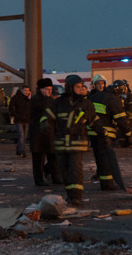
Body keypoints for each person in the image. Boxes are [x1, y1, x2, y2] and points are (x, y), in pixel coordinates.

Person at [40, 75, 105, 206]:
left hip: (77, 142)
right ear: (70, 88)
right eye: (78, 87)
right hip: (61, 143)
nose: (81, 89)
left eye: (82, 87)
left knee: (75, 169)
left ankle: (76, 196)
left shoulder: (86, 104)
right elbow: (46, 116)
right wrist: (45, 125)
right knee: (64, 171)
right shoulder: (58, 103)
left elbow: (95, 122)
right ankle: (70, 195)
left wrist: (104, 135)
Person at [88, 74, 132, 190]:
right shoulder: (113, 98)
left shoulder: (94, 96)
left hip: (93, 133)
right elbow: (121, 120)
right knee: (106, 159)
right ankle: (107, 184)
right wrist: (129, 134)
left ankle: (101, 177)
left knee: (99, 158)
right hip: (105, 133)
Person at [29, 78, 61, 186]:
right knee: (38, 159)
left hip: (50, 132)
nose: (49, 91)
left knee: (53, 156)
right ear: (41, 89)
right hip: (37, 133)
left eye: (51, 89)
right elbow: (43, 107)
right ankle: (39, 180)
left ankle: (55, 177)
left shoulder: (51, 100)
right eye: (47, 89)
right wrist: (47, 98)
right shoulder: (35, 99)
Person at [9, 85, 31, 158]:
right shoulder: (16, 98)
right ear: (21, 90)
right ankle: (22, 151)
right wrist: (14, 114)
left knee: (24, 137)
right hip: (19, 119)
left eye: (28, 90)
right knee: (21, 136)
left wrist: (29, 99)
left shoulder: (29, 99)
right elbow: (11, 106)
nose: (26, 92)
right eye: (25, 90)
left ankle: (19, 149)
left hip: (27, 119)